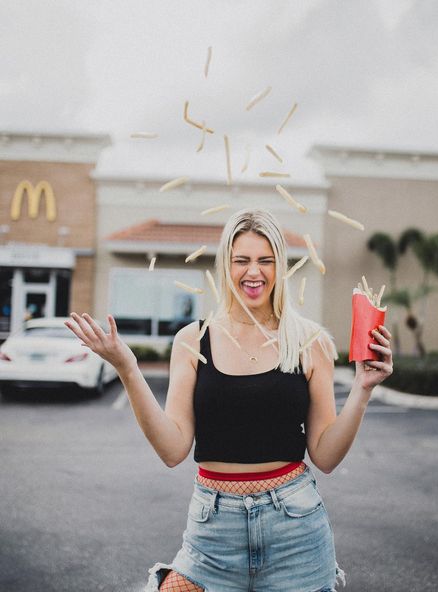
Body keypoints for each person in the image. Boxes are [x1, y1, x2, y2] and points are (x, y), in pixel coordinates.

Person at [64, 208, 393, 592]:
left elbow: (325, 455)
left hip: (295, 530)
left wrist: (362, 390)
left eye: (265, 260)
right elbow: (172, 449)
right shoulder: (193, 340)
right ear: (226, 265)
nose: (254, 272)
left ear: (280, 266)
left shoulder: (309, 341)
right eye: (242, 260)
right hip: (212, 531)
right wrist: (127, 367)